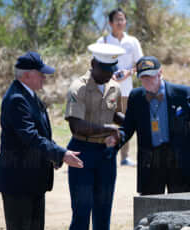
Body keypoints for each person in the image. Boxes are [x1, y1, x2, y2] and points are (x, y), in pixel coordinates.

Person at [105, 56, 190, 195]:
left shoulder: (181, 93)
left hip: (179, 160)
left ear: (160, 73)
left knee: (181, 207)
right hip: (150, 161)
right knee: (151, 207)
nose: (147, 81)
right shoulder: (136, 96)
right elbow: (128, 127)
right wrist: (116, 139)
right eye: (143, 77)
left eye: (151, 76)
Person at [0, 51, 83, 230]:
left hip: (32, 180)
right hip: (19, 183)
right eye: (40, 73)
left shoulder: (28, 95)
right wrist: (61, 154)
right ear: (27, 75)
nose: (45, 77)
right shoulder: (16, 99)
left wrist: (56, 154)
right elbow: (30, 137)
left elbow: (41, 136)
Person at [64, 43, 125, 230]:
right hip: (82, 152)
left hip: (106, 154)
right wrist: (108, 129)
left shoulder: (114, 87)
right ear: (93, 64)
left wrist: (131, 123)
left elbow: (116, 115)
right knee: (82, 210)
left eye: (111, 70)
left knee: (103, 210)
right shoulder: (78, 88)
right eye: (104, 70)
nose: (108, 75)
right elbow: (76, 126)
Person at [97, 8, 143, 166]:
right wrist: (110, 76)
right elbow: (95, 65)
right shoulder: (102, 42)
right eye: (117, 19)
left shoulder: (132, 42)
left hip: (126, 91)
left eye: (122, 19)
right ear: (110, 23)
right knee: (105, 122)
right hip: (107, 90)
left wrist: (129, 72)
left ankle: (124, 157)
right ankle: (104, 153)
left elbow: (140, 64)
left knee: (126, 122)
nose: (120, 22)